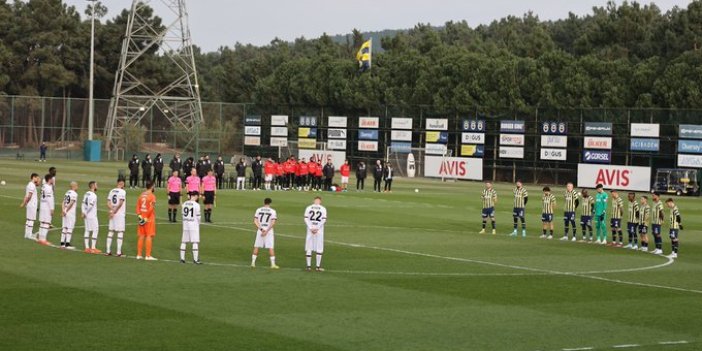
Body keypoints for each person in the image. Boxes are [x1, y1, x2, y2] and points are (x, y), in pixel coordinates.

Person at [251, 198, 279, 269]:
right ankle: (273, 264)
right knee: (270, 247)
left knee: (256, 246)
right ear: (270, 203)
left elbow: (255, 221)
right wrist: (266, 231)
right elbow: (273, 222)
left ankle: (253, 263)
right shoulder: (273, 211)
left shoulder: (258, 210)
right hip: (268, 231)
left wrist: (261, 229)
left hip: (260, 230)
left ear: (264, 202)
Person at [304, 196, 327, 272]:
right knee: (319, 248)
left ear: (314, 201)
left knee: (309, 247)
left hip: (310, 230)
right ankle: (317, 267)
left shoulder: (309, 208)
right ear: (320, 201)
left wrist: (311, 227)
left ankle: (308, 267)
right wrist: (317, 228)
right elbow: (323, 220)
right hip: (319, 230)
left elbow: (306, 218)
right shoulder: (323, 208)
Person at [136, 181, 157, 261]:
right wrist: (146, 217)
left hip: (141, 217)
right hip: (149, 218)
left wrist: (140, 216)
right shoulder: (152, 196)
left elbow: (137, 206)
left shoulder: (141, 195)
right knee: (149, 235)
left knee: (141, 235)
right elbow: (151, 208)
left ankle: (139, 254)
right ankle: (148, 256)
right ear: (152, 187)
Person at [106, 179, 127, 257]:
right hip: (119, 214)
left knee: (111, 231)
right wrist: (115, 211)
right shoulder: (122, 192)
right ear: (121, 184)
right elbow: (121, 203)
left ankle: (108, 251)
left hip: (112, 213)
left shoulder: (111, 191)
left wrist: (111, 210)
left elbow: (108, 203)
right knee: (120, 232)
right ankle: (118, 252)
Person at [180, 193, 202, 264]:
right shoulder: (197, 205)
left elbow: (183, 215)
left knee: (184, 241)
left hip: (186, 225)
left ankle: (182, 259)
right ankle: (195, 260)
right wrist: (198, 223)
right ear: (195, 196)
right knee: (195, 242)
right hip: (194, 225)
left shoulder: (184, 204)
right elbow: (198, 217)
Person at [82, 181, 100, 254]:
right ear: (93, 186)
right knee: (95, 230)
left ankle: (87, 248)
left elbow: (83, 203)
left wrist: (83, 212)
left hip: (86, 215)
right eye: (96, 185)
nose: (97, 186)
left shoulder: (86, 194)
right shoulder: (93, 195)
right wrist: (85, 212)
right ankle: (93, 248)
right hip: (92, 215)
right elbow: (91, 205)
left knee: (87, 230)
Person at [20, 173, 40, 240]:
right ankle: (30, 235)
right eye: (37, 178)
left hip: (29, 204)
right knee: (31, 219)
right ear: (33, 177)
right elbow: (29, 196)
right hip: (32, 204)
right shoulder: (32, 185)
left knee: (28, 219)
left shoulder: (29, 184)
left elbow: (26, 195)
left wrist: (24, 203)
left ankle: (26, 234)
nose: (37, 179)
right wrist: (24, 202)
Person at [37, 174, 55, 245]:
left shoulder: (43, 186)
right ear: (50, 179)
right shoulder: (48, 187)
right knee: (47, 223)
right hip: (47, 206)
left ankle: (40, 238)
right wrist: (52, 208)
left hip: (42, 205)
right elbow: (49, 199)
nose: (53, 180)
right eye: (52, 179)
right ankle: (43, 239)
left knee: (42, 222)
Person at [60, 181, 79, 249]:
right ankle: (67, 244)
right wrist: (66, 210)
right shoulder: (74, 194)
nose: (77, 187)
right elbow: (71, 203)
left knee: (64, 227)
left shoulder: (67, 192)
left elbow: (63, 202)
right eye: (77, 186)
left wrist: (63, 210)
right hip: (70, 213)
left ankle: (62, 243)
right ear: (73, 186)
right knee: (70, 228)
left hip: (65, 212)